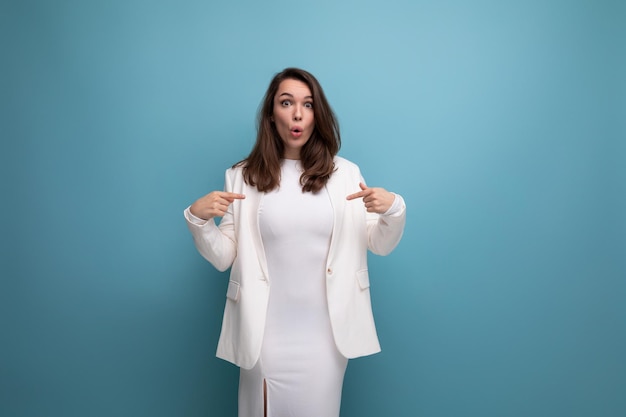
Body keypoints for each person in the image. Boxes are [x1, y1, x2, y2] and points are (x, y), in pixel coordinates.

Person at [184, 68, 406, 417]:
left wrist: (393, 209)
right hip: (264, 334)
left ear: (318, 114)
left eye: (308, 104)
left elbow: (379, 243)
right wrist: (198, 220)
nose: (297, 114)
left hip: (326, 336)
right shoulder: (242, 176)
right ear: (272, 114)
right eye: (286, 103)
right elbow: (224, 255)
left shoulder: (345, 173)